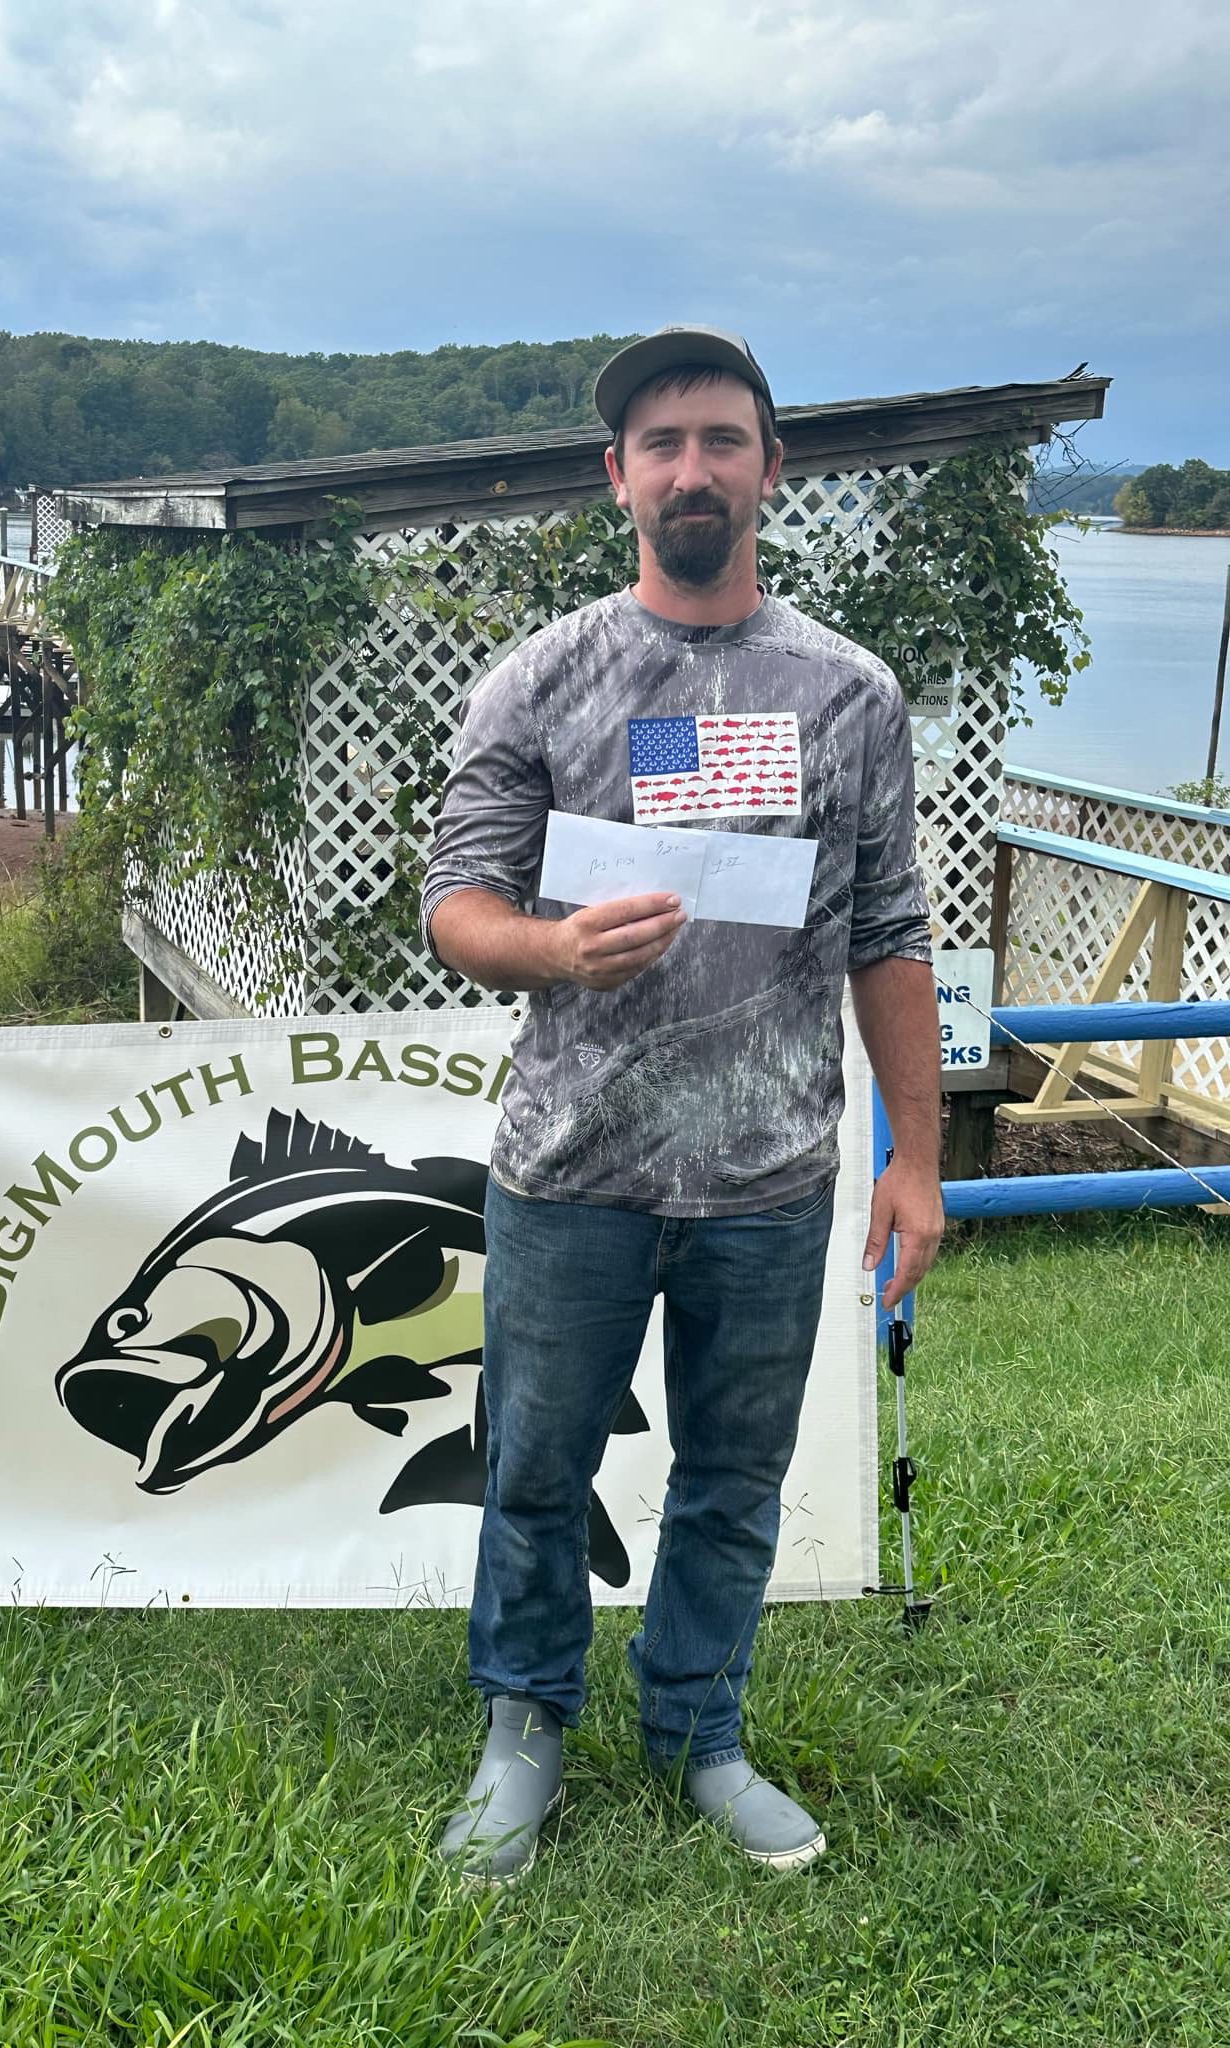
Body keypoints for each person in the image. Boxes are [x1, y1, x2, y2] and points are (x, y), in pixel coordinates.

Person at [419, 324, 944, 1884]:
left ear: (771, 468)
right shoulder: (542, 678)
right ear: (619, 477)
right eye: (662, 445)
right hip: (571, 1170)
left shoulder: (850, 694)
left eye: (722, 440)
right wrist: (553, 949)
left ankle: (701, 1729)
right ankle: (523, 1725)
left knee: (734, 1480)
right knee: (534, 1467)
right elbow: (456, 902)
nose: (692, 469)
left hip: (771, 1179)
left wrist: (916, 1158)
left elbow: (890, 933)